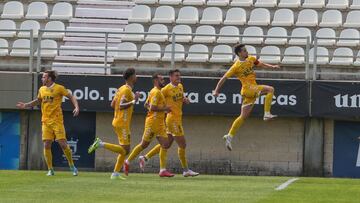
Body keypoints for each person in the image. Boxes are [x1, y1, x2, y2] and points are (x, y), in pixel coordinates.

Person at [213, 44, 279, 151]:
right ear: (239, 53)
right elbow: (224, 78)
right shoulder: (236, 66)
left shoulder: (251, 59)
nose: (246, 52)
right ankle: (267, 113)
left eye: (246, 50)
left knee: (243, 116)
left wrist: (272, 66)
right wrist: (216, 90)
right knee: (270, 89)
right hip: (249, 89)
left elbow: (260, 63)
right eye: (244, 51)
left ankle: (229, 136)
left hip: (249, 91)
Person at [16, 70, 79, 176]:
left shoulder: (59, 88)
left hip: (57, 121)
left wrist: (76, 107)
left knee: (63, 144)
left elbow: (71, 97)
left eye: (44, 77)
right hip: (45, 121)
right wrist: (26, 105)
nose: (42, 78)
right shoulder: (42, 89)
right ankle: (50, 169)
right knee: (46, 144)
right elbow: (38, 100)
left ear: (49, 78)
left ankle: (72, 166)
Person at [139, 69, 199, 177]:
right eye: (176, 76)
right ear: (170, 77)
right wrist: (158, 108)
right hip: (172, 120)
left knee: (166, 144)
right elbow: (150, 102)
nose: (178, 77)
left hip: (177, 118)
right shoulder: (165, 89)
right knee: (183, 144)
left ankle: (145, 158)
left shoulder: (180, 86)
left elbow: (180, 98)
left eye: (179, 76)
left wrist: (185, 100)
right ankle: (185, 170)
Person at [88, 68, 139, 180]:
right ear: (131, 77)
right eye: (135, 75)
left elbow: (112, 104)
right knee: (125, 150)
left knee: (125, 150)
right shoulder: (126, 90)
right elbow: (121, 105)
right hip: (122, 122)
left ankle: (115, 173)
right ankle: (100, 144)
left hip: (119, 121)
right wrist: (134, 101)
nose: (137, 77)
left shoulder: (121, 89)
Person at [124, 74, 174, 177]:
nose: (163, 80)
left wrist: (160, 110)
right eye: (161, 79)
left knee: (165, 144)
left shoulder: (155, 91)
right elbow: (152, 107)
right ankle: (127, 161)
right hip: (153, 123)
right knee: (144, 144)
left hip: (159, 123)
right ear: (156, 81)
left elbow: (146, 104)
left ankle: (162, 170)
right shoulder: (155, 92)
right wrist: (165, 109)